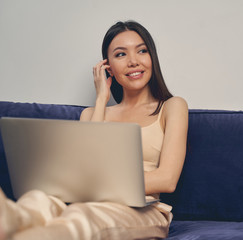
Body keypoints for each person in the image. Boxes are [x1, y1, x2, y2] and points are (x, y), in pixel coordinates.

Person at [0, 20, 188, 239]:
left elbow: (168, 179)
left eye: (142, 51)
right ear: (108, 66)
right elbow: (82, 174)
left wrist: (98, 187)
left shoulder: (171, 106)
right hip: (90, 202)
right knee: (38, 200)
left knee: (83, 214)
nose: (133, 61)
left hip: (145, 210)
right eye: (121, 54)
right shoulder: (90, 114)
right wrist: (101, 99)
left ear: (151, 58)